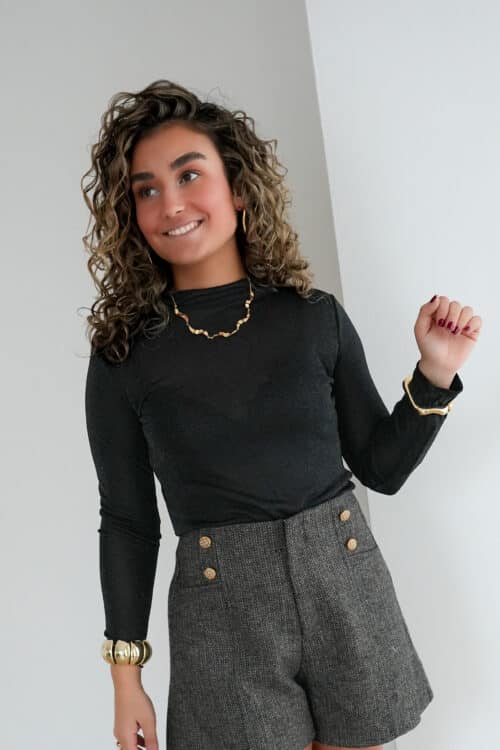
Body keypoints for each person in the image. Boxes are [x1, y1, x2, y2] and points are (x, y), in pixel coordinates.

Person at [82, 79, 481, 750]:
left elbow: (379, 467)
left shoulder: (313, 318)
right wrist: (127, 679)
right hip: (221, 613)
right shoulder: (126, 356)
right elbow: (127, 519)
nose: (170, 203)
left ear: (238, 189)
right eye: (146, 190)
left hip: (345, 581)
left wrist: (435, 372)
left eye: (188, 175)